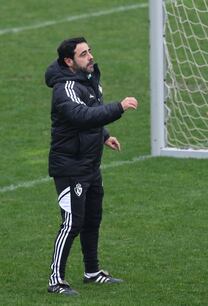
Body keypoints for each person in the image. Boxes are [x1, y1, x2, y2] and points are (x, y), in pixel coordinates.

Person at [45, 37, 138, 296]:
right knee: (72, 223)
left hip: (89, 164)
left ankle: (92, 272)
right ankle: (56, 280)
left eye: (90, 51)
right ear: (69, 61)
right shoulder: (65, 88)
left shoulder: (87, 78)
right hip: (70, 167)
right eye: (83, 54)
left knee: (92, 219)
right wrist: (118, 107)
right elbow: (80, 115)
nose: (90, 57)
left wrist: (105, 134)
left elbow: (91, 111)